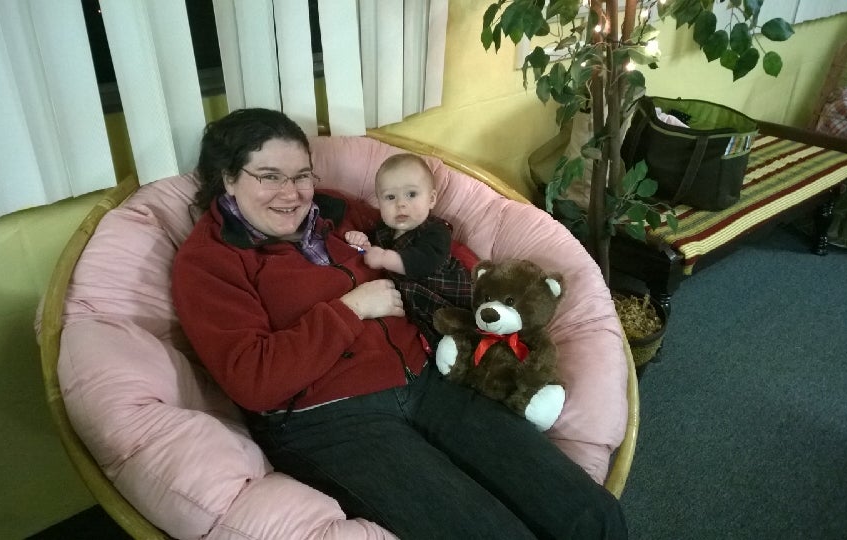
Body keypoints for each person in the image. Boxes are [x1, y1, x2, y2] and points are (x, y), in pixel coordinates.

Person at [171, 108, 628, 539]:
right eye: (269, 176)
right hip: (329, 420)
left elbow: (420, 237)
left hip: (427, 378)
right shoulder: (208, 261)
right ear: (229, 178)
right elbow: (253, 379)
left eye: (302, 175)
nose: (291, 193)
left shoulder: (335, 210)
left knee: (591, 515)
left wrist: (476, 285)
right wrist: (351, 309)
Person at [344, 153, 473, 352]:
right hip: (414, 309)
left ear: (431, 199)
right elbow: (370, 256)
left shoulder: (436, 230)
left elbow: (425, 261)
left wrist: (385, 258)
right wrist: (362, 242)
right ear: (379, 202)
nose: (400, 204)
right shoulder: (382, 231)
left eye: (411, 194)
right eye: (390, 197)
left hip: (446, 296)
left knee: (465, 334)